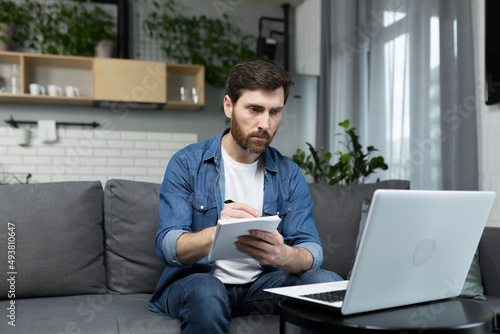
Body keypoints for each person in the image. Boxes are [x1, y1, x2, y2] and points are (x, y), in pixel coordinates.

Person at [149, 59, 342, 333]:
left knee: (327, 281)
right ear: (229, 106)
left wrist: (282, 255)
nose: (265, 123)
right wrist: (214, 234)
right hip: (199, 281)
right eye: (254, 109)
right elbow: (168, 246)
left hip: (263, 287)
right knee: (207, 291)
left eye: (275, 112)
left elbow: (312, 251)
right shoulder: (186, 163)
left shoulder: (288, 173)